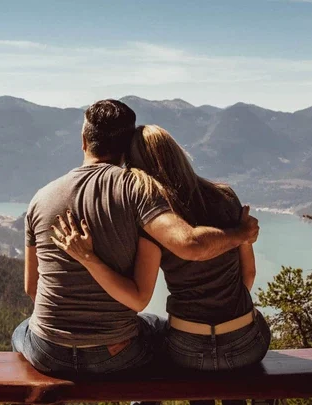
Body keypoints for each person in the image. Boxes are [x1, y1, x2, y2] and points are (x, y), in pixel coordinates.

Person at [12, 101, 260, 378]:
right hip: (116, 352)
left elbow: (32, 289)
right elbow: (187, 249)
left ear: (83, 141)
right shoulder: (138, 191)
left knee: (21, 330)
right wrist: (241, 234)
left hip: (48, 351)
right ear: (125, 147)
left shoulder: (40, 199)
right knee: (153, 328)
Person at [52, 124, 271, 404]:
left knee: (158, 341)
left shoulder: (156, 222)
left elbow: (140, 293)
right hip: (244, 342)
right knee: (240, 355)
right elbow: (248, 274)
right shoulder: (225, 197)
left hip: (188, 345)